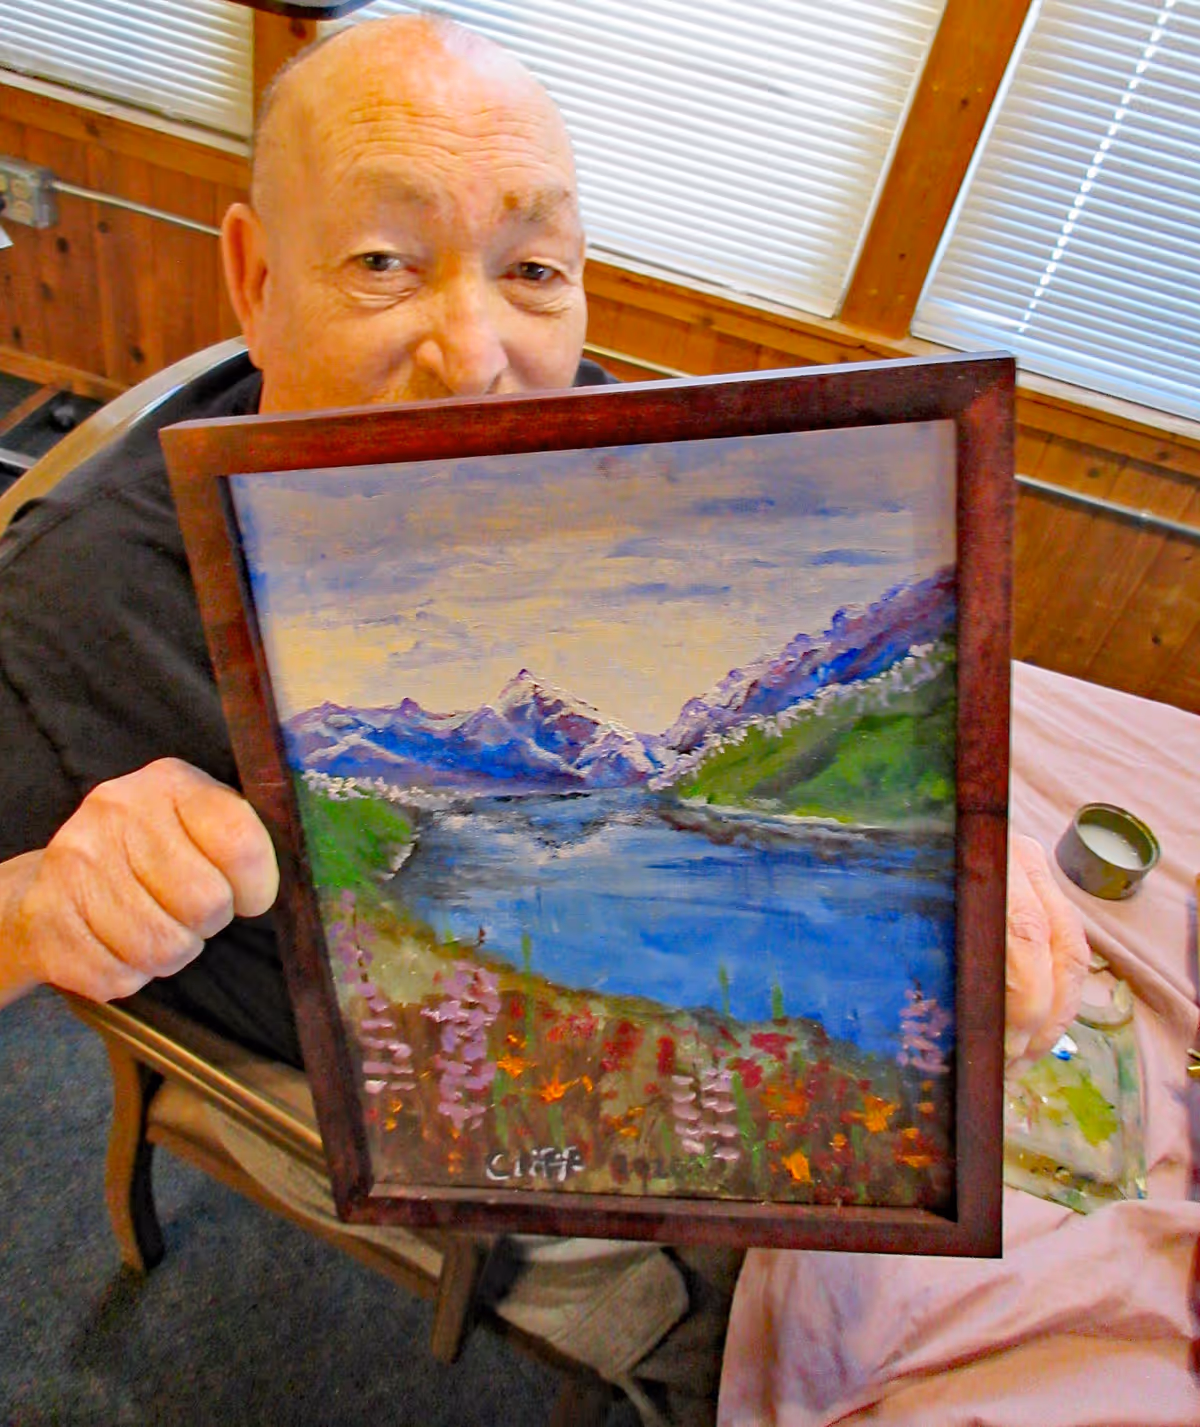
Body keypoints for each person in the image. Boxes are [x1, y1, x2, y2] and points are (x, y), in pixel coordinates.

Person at [0, 16, 1093, 1426]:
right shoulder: (78, 598)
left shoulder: (610, 454)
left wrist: (961, 815)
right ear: (255, 282)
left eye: (533, 271)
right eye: (384, 262)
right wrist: (40, 906)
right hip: (437, 1121)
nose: (477, 355)